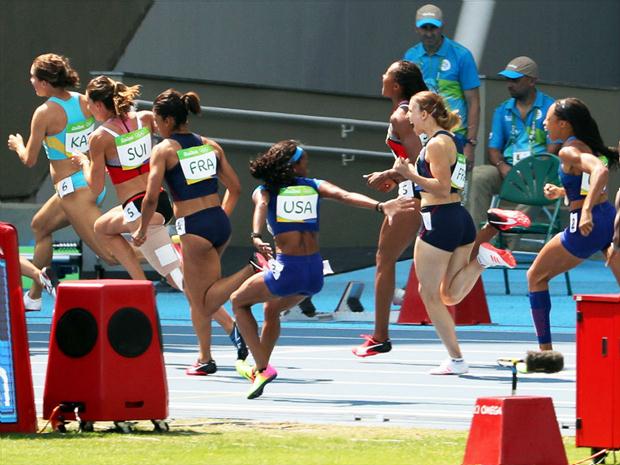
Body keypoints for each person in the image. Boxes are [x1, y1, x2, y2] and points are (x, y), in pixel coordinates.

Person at [231, 140, 417, 399]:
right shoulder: (314, 186)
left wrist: (255, 235)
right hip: (314, 274)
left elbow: (261, 206)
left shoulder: (266, 191)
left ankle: (261, 367)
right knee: (271, 309)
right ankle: (261, 366)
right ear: (292, 166)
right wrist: (380, 206)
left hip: (289, 270)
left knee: (238, 301)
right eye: (304, 160)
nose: (308, 165)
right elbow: (345, 196)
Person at [392, 91, 516, 375]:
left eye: (412, 111)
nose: (409, 117)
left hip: (440, 219)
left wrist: (410, 174)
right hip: (458, 219)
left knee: (429, 294)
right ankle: (482, 260)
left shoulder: (436, 143)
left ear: (425, 114)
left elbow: (442, 186)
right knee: (448, 295)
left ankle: (457, 360)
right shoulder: (450, 140)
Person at [132, 89, 253, 375]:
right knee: (195, 292)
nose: (156, 128)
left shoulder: (164, 150)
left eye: (158, 122)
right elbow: (235, 189)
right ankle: (204, 356)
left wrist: (141, 228)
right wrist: (218, 217)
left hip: (194, 227)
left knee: (200, 299)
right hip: (218, 222)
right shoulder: (211, 145)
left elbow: (150, 198)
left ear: (170, 120)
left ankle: (205, 358)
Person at [7, 53, 115, 311]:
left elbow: (29, 159)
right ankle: (34, 296)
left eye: (33, 76)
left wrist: (18, 145)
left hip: (75, 191)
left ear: (44, 82)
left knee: (109, 255)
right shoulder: (84, 102)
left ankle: (165, 255)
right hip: (88, 182)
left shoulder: (43, 113)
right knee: (40, 226)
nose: (30, 80)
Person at [71, 75, 182, 289]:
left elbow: (96, 188)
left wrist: (85, 162)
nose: (89, 110)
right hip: (159, 201)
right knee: (102, 227)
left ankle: (226, 321)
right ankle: (141, 287)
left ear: (99, 105)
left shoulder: (99, 137)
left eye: (89, 104)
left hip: (141, 213)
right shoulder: (146, 118)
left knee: (177, 278)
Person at [528, 98, 620, 355]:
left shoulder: (568, 151)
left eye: (549, 119)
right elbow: (586, 184)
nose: (545, 123)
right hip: (608, 219)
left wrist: (586, 211)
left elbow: (600, 172)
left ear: (565, 124)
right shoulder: (587, 145)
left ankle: (545, 354)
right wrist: (561, 191)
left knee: (535, 277)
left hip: (585, 225)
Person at [352, 60, 427, 357]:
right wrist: (394, 175)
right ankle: (478, 250)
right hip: (425, 192)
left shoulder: (401, 115)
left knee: (385, 259)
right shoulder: (419, 110)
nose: (381, 75)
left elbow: (423, 161)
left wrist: (392, 176)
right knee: (438, 273)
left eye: (387, 73)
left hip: (415, 197)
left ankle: (380, 336)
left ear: (396, 86)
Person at [470, 57, 559, 252]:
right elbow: (493, 149)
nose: (510, 85)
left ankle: (506, 239)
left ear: (532, 81)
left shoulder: (550, 108)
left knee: (539, 183)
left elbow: (554, 146)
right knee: (479, 175)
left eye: (515, 80)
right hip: (508, 171)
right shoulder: (502, 110)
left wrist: (531, 168)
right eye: (508, 80)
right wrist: (502, 166)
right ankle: (480, 239)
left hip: (538, 172)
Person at [403, 4, 480, 171]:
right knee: (424, 190)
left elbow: (473, 102)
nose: (429, 33)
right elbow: (408, 99)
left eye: (434, 28)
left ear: (442, 27)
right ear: (417, 29)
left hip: (455, 135)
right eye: (425, 28)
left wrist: (470, 144)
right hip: (422, 135)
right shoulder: (411, 56)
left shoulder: (461, 55)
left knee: (454, 190)